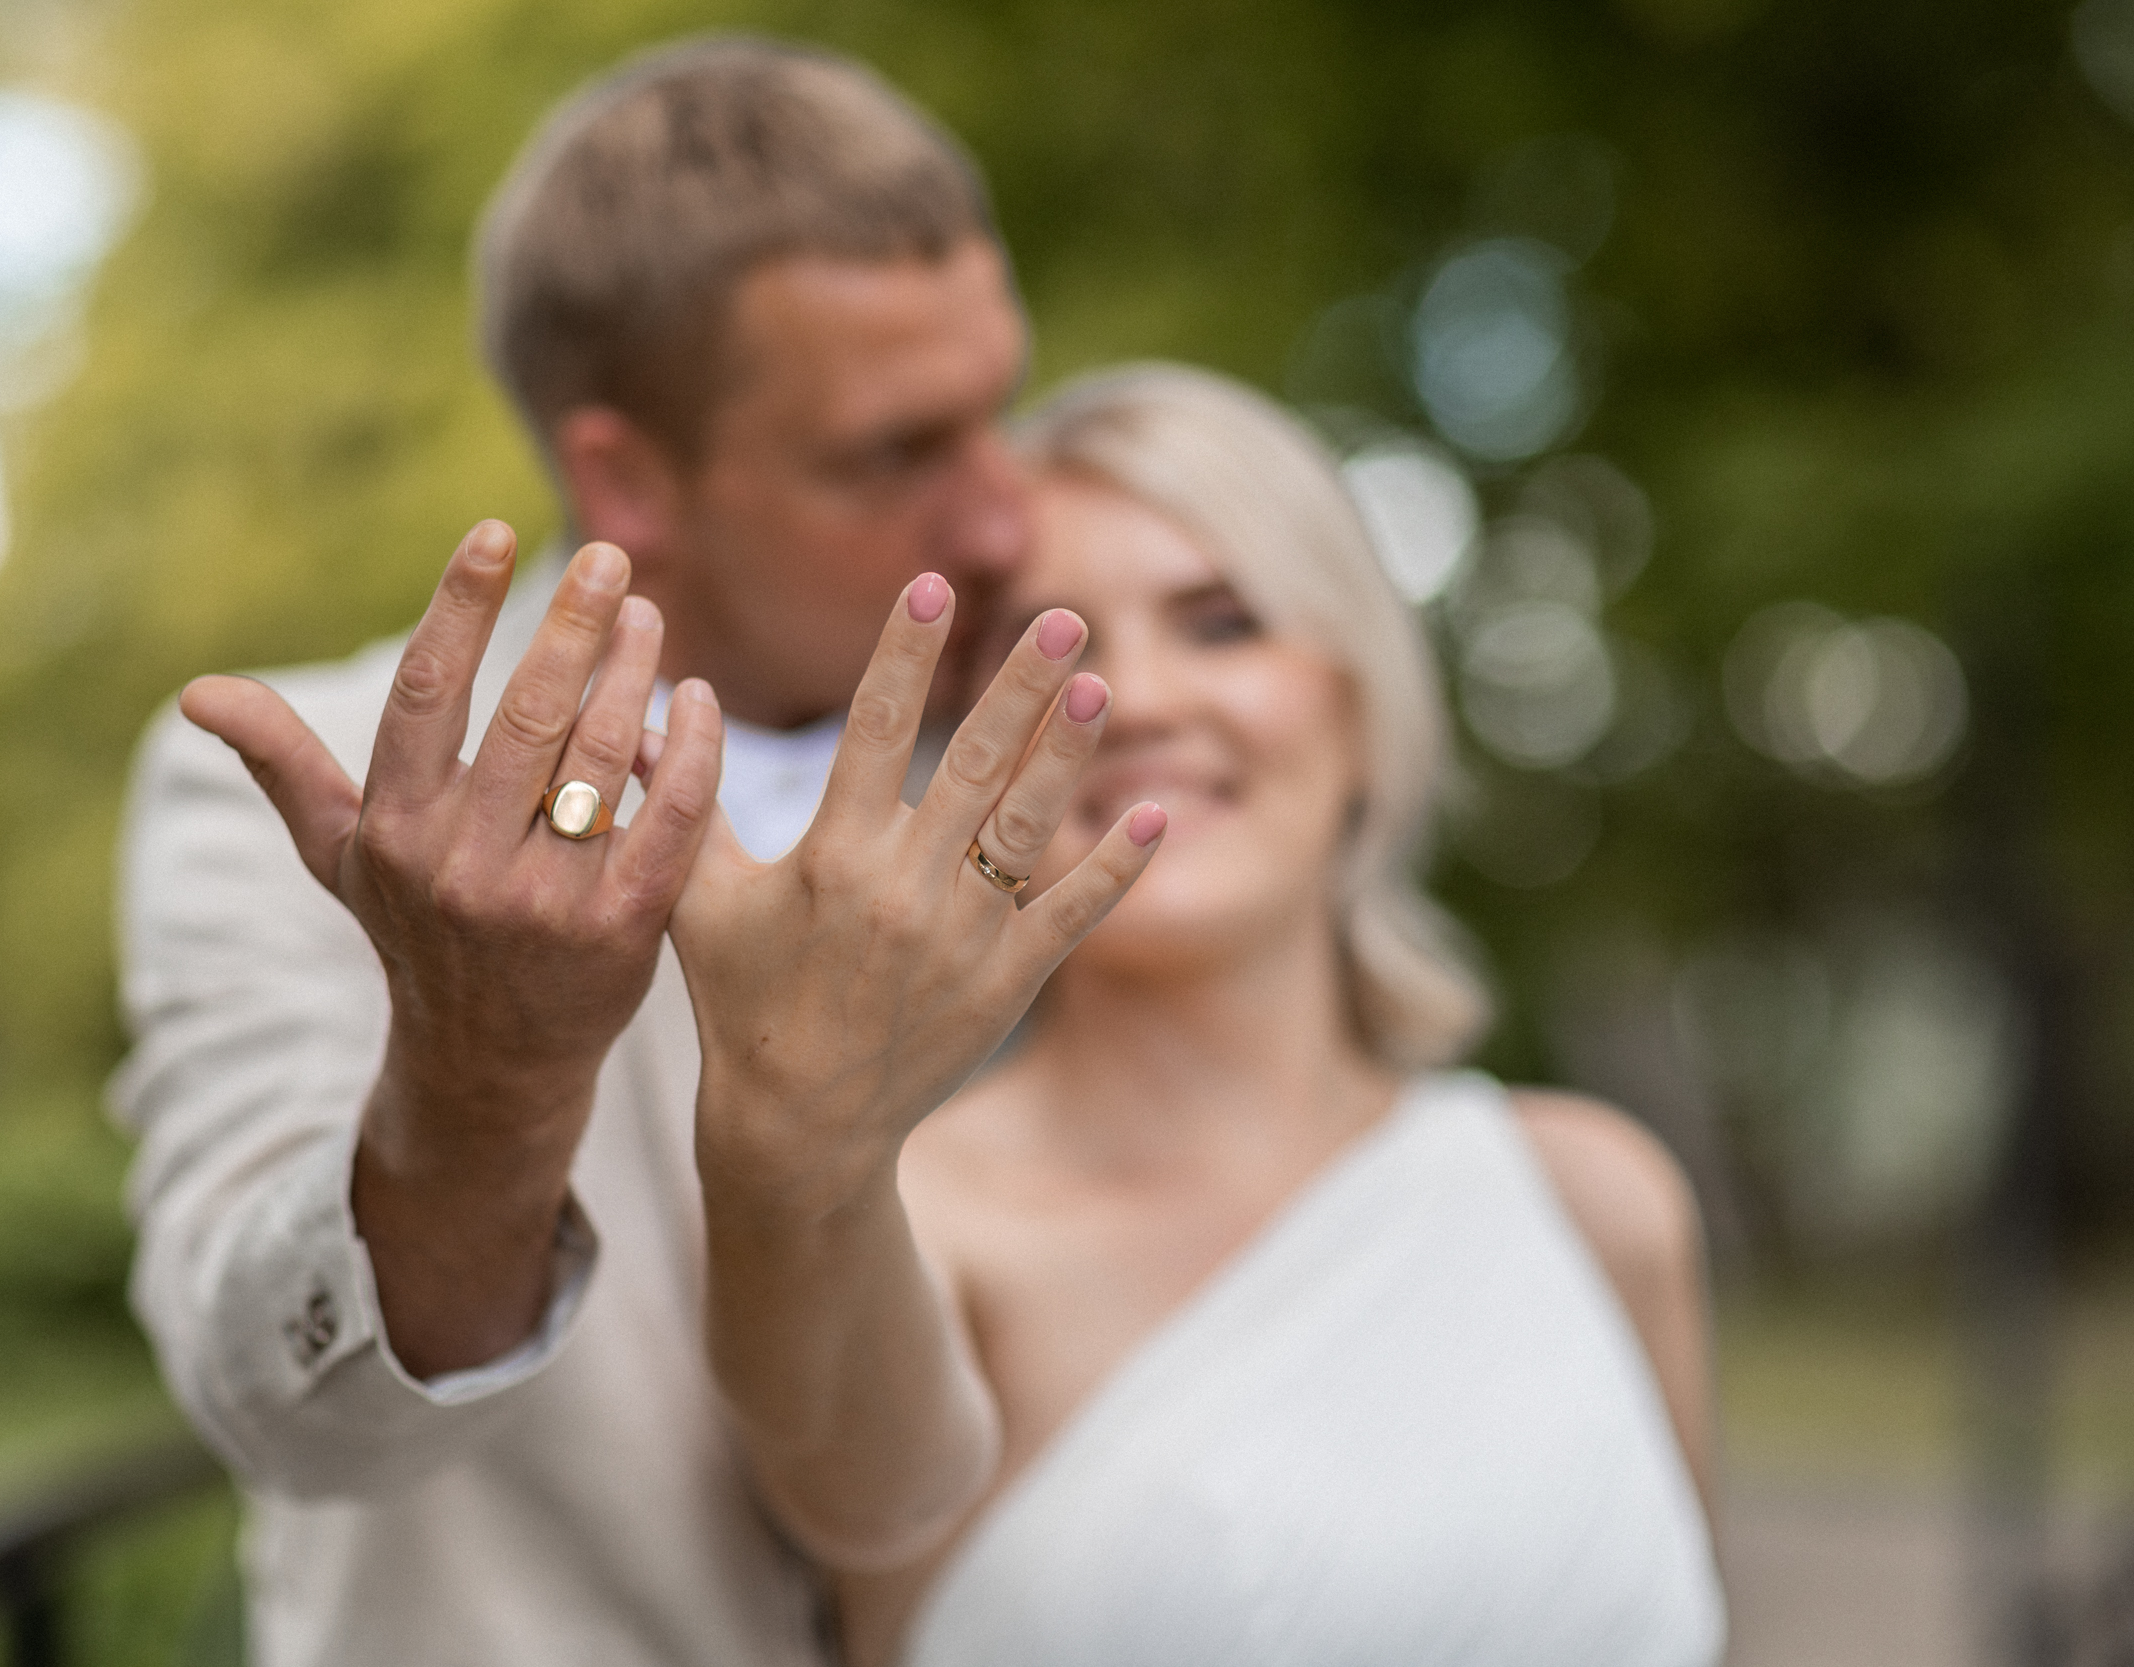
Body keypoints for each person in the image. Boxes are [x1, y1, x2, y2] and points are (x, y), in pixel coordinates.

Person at [108, 37, 1046, 1665]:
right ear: (627, 472)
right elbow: (283, 1406)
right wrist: (486, 1078)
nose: (998, 518)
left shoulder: (1081, 746)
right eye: (895, 450)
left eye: (999, 412)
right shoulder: (309, 802)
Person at [671, 363, 1727, 1667]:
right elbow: (841, 1470)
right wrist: (790, 1139)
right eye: (1053, 656)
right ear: (965, 744)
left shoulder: (1599, 1202)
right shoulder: (913, 1223)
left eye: (1222, 624)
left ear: (1359, 697)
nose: (1148, 701)